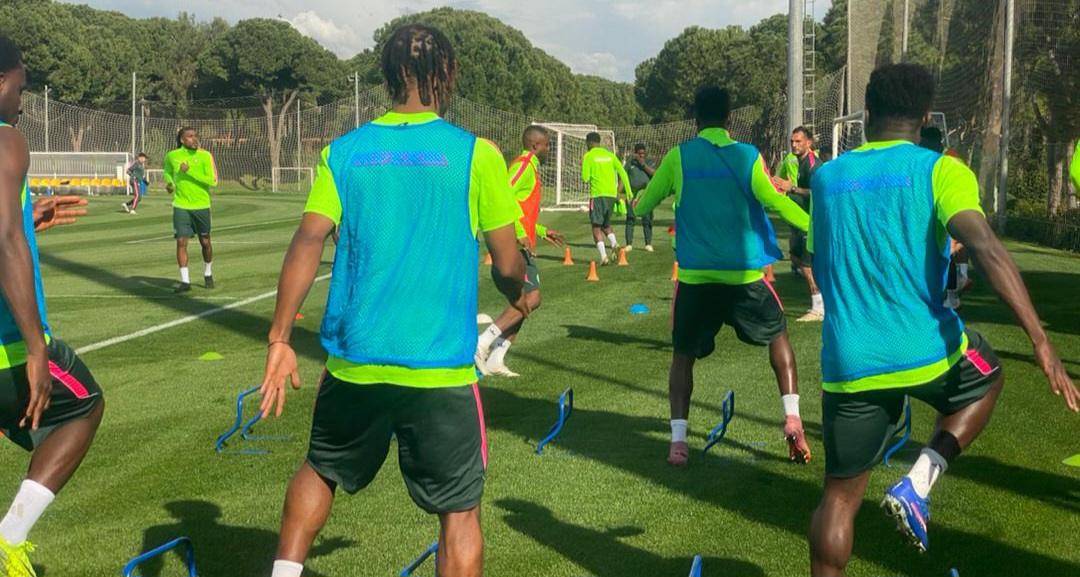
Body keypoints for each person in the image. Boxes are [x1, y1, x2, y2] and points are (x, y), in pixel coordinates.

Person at [257, 24, 526, 577]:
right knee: (460, 512)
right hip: (439, 372)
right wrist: (519, 289)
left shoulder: (345, 151)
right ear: (447, 75)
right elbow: (506, 263)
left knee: (321, 468)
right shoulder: (476, 154)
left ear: (385, 75)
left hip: (356, 362)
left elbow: (309, 237)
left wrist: (280, 337)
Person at [807, 63, 1079, 576]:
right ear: (926, 116)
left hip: (849, 358)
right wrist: (1041, 340)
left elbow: (821, 262)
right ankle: (919, 482)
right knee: (989, 375)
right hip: (926, 349)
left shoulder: (826, 177)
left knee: (838, 500)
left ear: (866, 114)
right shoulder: (940, 169)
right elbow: (985, 246)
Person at [634, 85, 814, 468]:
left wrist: (638, 203)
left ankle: (678, 443)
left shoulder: (678, 157)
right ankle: (793, 417)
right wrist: (815, 227)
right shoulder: (748, 155)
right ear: (729, 118)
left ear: (695, 117)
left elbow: (646, 204)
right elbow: (774, 200)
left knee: (683, 356)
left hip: (696, 278)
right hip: (745, 276)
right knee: (778, 336)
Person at [0, 36, 105, 577]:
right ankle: (9, 537)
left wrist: (27, 218)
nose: (21, 100)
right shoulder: (6, 139)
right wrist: (36, 347)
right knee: (83, 406)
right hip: (5, 347)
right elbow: (3, 240)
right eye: (20, 87)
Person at [476, 125, 565, 377]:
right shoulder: (525, 164)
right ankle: (482, 343)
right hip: (513, 243)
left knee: (526, 302)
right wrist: (518, 232)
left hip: (522, 241)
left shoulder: (532, 167)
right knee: (532, 298)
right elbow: (504, 195)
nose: (549, 150)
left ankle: (497, 358)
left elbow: (521, 210)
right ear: (535, 146)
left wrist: (540, 230)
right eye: (547, 145)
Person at [772, 127, 823, 321]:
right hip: (804, 221)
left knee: (807, 265)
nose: (794, 145)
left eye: (798, 141)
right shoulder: (797, 162)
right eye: (792, 141)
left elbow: (816, 192)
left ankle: (818, 307)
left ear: (808, 143)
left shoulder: (813, 166)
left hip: (814, 221)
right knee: (796, 258)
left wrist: (791, 188)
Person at [919, 126, 972, 309]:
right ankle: (956, 285)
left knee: (950, 246)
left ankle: (959, 281)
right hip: (940, 206)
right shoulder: (930, 157)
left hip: (951, 205)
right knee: (946, 249)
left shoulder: (949, 158)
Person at [164, 127, 217, 293]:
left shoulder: (205, 156)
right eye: (190, 136)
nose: (194, 139)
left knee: (205, 242)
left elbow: (213, 181)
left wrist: (190, 172)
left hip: (201, 205)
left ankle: (208, 273)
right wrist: (170, 184)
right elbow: (167, 172)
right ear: (182, 140)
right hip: (181, 205)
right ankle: (185, 281)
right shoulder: (172, 156)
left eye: (195, 136)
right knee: (181, 241)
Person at [581, 132, 634, 265]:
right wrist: (628, 192)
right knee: (606, 224)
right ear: (599, 142)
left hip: (598, 195)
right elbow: (623, 172)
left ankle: (604, 257)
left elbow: (585, 178)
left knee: (596, 227)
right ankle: (615, 243)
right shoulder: (610, 155)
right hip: (611, 195)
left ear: (589, 143)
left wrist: (585, 166)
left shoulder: (588, 156)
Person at [623, 143, 656, 252]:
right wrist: (618, 193)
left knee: (647, 219)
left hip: (646, 195)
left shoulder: (650, 161)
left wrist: (643, 164)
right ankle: (628, 244)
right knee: (630, 218)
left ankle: (648, 243)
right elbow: (623, 176)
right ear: (635, 153)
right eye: (639, 153)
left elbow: (654, 174)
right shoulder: (630, 162)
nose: (642, 155)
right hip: (632, 194)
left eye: (643, 153)